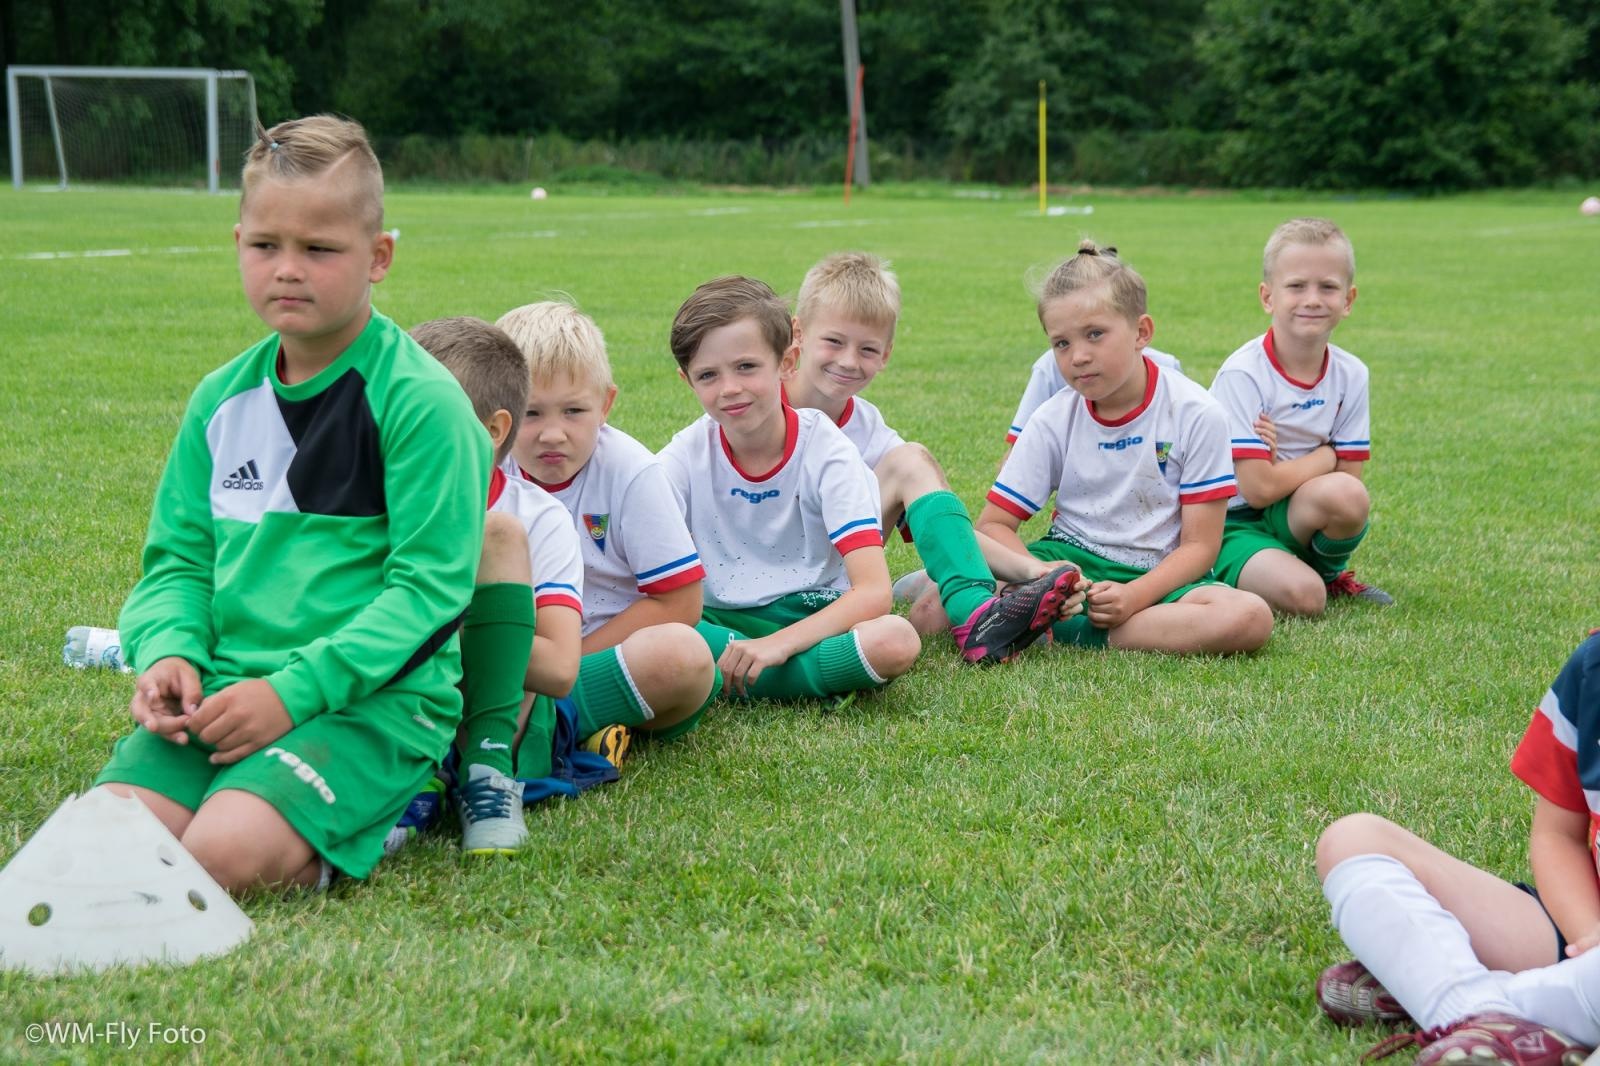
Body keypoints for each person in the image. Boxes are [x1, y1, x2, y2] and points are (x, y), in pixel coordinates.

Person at [94, 115, 488, 891]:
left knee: (219, 857)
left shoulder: (423, 403)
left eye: (319, 249)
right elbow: (178, 563)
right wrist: (169, 652)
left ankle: (402, 805)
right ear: (237, 243)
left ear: (379, 257)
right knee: (111, 842)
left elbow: (429, 594)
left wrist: (292, 693)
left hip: (373, 705)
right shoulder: (219, 400)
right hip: (228, 694)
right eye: (265, 246)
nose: (287, 270)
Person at [1312, 632, 1600, 1065]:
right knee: (1354, 839)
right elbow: (1557, 836)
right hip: (1578, 940)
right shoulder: (1594, 667)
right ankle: (1484, 1014)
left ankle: (1438, 988)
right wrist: (1587, 935)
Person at [973, 241, 1273, 654]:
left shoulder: (1197, 413)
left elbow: (1200, 546)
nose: (1078, 356)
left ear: (1141, 332)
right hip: (1070, 564)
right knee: (938, 604)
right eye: (1061, 343)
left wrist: (1133, 597)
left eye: (1095, 334)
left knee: (1249, 616)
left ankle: (1068, 632)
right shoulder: (1052, 418)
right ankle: (1051, 614)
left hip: (1158, 574)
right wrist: (1043, 576)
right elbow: (992, 526)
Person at [781, 252, 1082, 664]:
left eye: (867, 348)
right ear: (798, 334)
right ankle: (945, 595)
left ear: (886, 354)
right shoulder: (757, 405)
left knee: (911, 461)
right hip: (760, 581)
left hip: (833, 586)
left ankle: (976, 613)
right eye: (834, 341)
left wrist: (1031, 570)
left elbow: (948, 530)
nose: (849, 360)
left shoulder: (870, 431)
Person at [658, 275, 921, 701]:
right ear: (688, 380)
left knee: (895, 639)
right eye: (708, 375)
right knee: (664, 634)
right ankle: (791, 679)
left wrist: (779, 644)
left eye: (746, 367)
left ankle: (735, 676)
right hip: (720, 621)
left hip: (814, 614)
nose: (730, 388)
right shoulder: (684, 456)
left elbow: (874, 591)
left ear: (787, 361)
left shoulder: (828, 450)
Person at [494, 300, 716, 747]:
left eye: (573, 411)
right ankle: (572, 729)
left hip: (605, 653)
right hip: (520, 657)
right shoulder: (484, 469)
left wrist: (567, 664)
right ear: (500, 414)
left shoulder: (632, 472)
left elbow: (680, 603)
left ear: (606, 404)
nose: (552, 433)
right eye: (531, 413)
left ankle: (544, 726)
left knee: (684, 656)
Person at [409, 316, 583, 855]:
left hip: (501, 710)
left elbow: (559, 669)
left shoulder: (537, 516)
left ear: (492, 429)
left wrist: (445, 617)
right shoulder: (373, 498)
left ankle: (487, 775)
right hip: (398, 697)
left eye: (426, 419)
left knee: (498, 536)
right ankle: (411, 778)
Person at [1209, 217, 1393, 614]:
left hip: (1292, 511)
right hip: (1229, 523)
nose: (1312, 299)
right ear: (1268, 297)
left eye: (1328, 287)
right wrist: (1325, 456)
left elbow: (1349, 481)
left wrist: (1282, 470)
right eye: (1296, 286)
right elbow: (1257, 489)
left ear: (1349, 300)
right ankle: (1221, 570)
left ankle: (1328, 575)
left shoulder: (1351, 374)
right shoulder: (1243, 374)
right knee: (1306, 599)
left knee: (1347, 497)